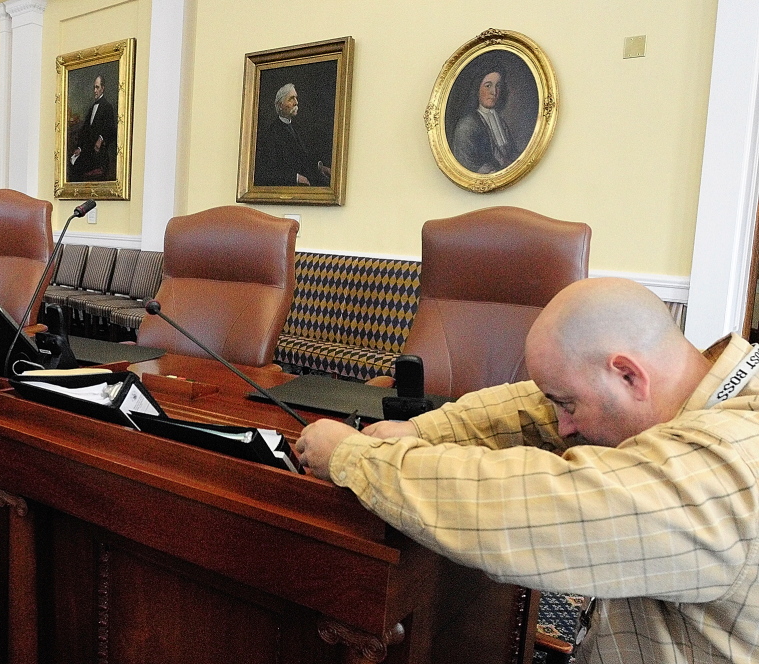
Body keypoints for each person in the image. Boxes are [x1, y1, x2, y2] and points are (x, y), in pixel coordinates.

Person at [296, 277, 759, 664]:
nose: (562, 425)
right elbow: (532, 409)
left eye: (569, 405)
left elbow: (528, 508)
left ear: (629, 376)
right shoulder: (699, 385)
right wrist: (418, 431)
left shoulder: (726, 465)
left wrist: (352, 457)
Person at [254, 83, 331, 187]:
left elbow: (303, 157)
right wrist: (296, 178)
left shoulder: (298, 128)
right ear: (280, 105)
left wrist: (320, 167)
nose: (296, 102)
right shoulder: (272, 133)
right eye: (291, 99)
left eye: (296, 98)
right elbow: (267, 171)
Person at [451, 69, 521, 173]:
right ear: (477, 89)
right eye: (488, 86)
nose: (494, 92)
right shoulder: (467, 125)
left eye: (498, 86)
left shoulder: (500, 121)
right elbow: (467, 163)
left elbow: (512, 153)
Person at [69, 75, 116, 182]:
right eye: (94, 88)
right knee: (73, 164)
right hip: (87, 151)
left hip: (99, 153)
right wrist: (79, 148)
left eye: (97, 87)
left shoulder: (107, 107)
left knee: (79, 168)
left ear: (102, 88)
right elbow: (85, 131)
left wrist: (101, 138)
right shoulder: (91, 108)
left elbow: (111, 130)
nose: (95, 90)